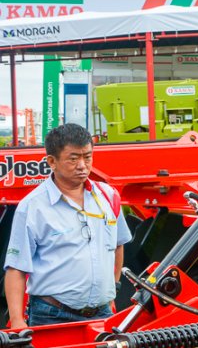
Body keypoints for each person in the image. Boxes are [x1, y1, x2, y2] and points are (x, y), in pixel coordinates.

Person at [4, 123, 132, 327]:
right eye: (73, 159)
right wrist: (18, 321)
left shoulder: (107, 196)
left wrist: (112, 290)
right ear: (52, 161)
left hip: (102, 313)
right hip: (51, 315)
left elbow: (118, 244)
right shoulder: (32, 207)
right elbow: (16, 268)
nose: (82, 165)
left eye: (87, 157)